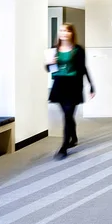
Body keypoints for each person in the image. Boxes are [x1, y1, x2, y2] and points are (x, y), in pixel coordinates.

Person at [46, 23, 95, 159]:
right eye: (61, 30)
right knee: (68, 115)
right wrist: (50, 63)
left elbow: (83, 68)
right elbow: (50, 70)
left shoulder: (78, 50)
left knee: (67, 115)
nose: (64, 33)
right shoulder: (54, 50)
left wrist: (91, 85)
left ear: (72, 33)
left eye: (67, 31)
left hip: (74, 85)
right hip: (59, 85)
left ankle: (64, 147)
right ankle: (73, 137)